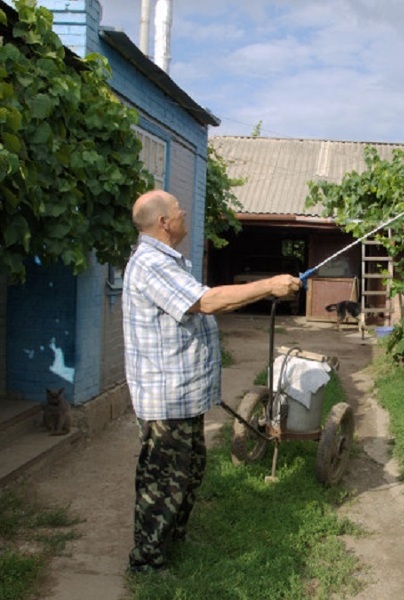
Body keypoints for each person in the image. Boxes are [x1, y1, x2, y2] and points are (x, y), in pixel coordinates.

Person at [122, 189, 300, 573]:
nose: (184, 212)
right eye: (178, 209)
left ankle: (172, 540)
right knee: (164, 480)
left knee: (189, 469)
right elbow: (207, 302)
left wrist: (262, 292)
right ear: (164, 223)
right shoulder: (152, 264)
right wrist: (269, 286)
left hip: (181, 396)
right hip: (165, 399)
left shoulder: (166, 261)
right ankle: (147, 561)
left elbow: (212, 301)